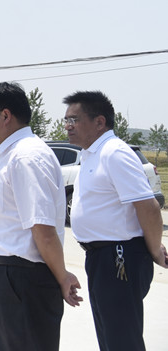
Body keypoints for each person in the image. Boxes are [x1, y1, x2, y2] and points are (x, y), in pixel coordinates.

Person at [0, 82, 81, 351]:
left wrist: (62, 276)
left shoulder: (26, 157)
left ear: (5, 115)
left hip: (23, 279)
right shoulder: (10, 154)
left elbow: (43, 229)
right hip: (8, 275)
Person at [64, 90, 168, 351]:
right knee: (110, 337)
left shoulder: (114, 153)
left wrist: (155, 249)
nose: (68, 126)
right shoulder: (91, 153)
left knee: (122, 339)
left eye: (74, 120)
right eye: (66, 120)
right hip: (100, 257)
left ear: (99, 122)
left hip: (119, 257)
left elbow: (149, 207)